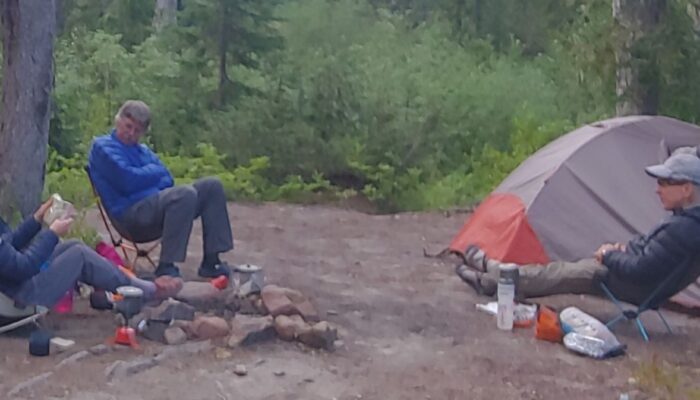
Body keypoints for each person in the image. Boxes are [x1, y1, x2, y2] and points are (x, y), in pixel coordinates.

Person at [457, 152, 700, 305]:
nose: (657, 189)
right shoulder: (687, 223)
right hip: (640, 284)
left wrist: (610, 256)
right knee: (559, 271)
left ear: (687, 189)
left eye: (664, 183)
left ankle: (494, 274)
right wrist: (624, 249)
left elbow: (640, 271)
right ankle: (493, 277)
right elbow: (651, 255)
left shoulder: (682, 231)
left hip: (629, 286)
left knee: (557, 273)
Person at [88, 100, 234, 278]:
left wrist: (143, 178)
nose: (131, 133)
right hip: (131, 216)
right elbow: (127, 181)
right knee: (184, 194)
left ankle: (211, 261)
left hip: (156, 209)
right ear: (117, 120)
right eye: (128, 126)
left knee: (212, 186)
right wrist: (151, 178)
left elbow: (168, 178)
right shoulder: (103, 147)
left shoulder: (142, 150)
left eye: (137, 131)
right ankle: (166, 266)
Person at [0, 198, 181, 309]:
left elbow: (10, 244)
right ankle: (145, 291)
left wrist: (36, 219)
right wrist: (52, 234)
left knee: (73, 246)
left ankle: (131, 288)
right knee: (79, 255)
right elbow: (22, 267)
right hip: (20, 296)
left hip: (14, 286)